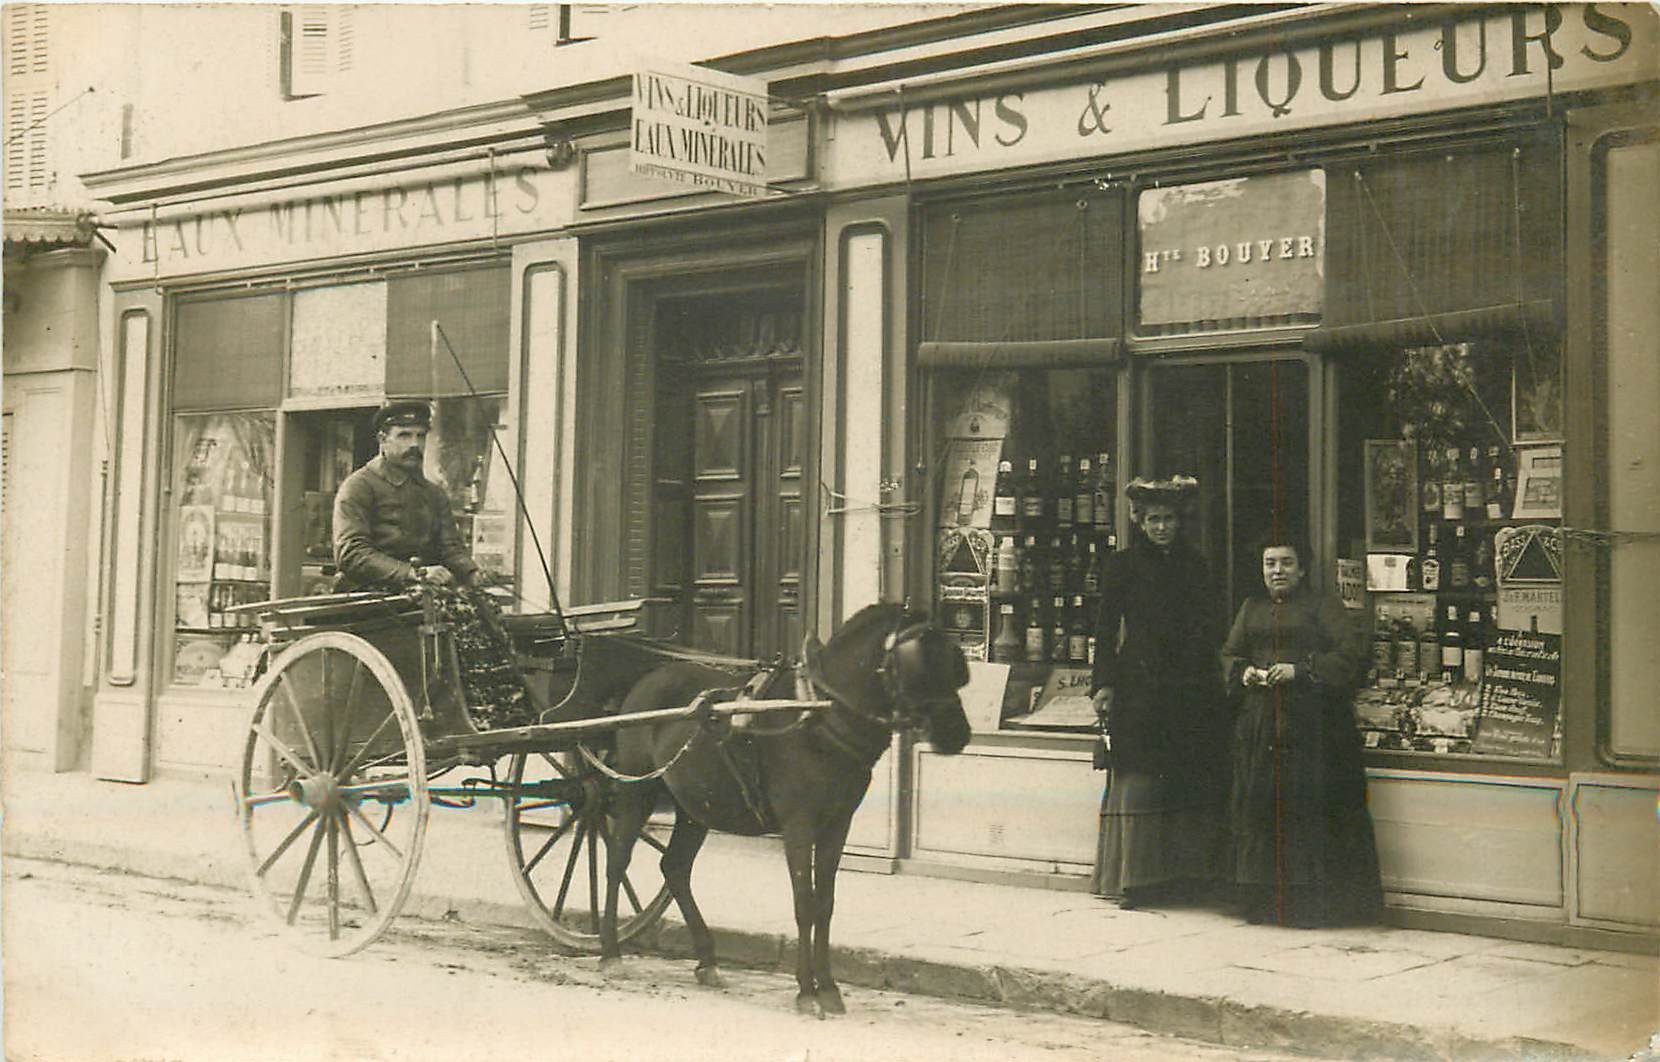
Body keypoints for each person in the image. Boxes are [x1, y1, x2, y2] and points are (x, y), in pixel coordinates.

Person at [334, 399, 529, 728]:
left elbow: (450, 547)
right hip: (371, 593)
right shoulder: (358, 487)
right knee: (457, 612)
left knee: (486, 607)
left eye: (421, 436)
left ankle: (494, 708)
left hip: (424, 590)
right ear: (383, 439)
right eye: (404, 435)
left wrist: (472, 572)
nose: (415, 444)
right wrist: (413, 573)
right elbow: (351, 553)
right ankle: (467, 710)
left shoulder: (432, 493)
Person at [1220, 537, 1384, 927]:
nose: (1277, 571)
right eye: (1270, 563)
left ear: (1302, 569)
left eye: (1287, 563)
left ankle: (1308, 905)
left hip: (1313, 725)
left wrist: (1301, 670)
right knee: (1264, 809)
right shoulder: (1251, 607)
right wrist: (1242, 671)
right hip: (1262, 725)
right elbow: (1229, 652)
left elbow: (1350, 654)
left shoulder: (1321, 606)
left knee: (1306, 810)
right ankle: (1263, 902)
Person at [1089, 475, 1229, 908]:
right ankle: (1136, 879)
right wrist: (1104, 683)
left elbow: (1210, 625)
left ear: (1179, 521)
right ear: (1140, 522)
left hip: (1190, 686)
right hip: (1141, 685)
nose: (1162, 527)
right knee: (1141, 779)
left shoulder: (1197, 565)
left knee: (1187, 776)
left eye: (1168, 519)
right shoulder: (1123, 565)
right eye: (1153, 520)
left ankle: (1185, 876)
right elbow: (1106, 628)